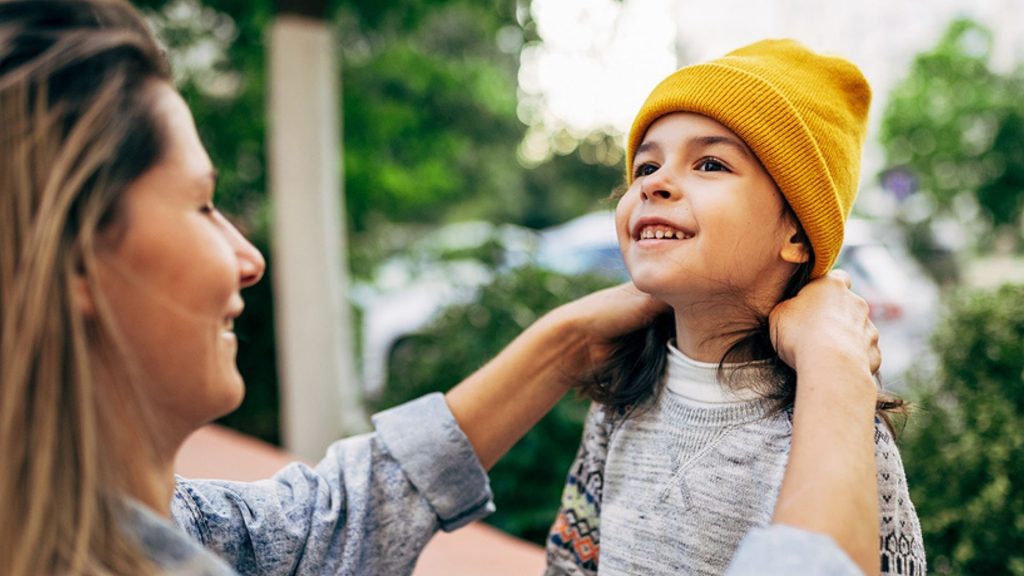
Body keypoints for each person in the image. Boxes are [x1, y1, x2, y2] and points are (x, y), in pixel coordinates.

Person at [0, 2, 885, 574]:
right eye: (201, 205)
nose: (248, 256)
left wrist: (559, 344)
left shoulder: (98, 530)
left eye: (712, 164)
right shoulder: (638, 411)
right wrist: (842, 376)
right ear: (71, 264)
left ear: (797, 231)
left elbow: (314, 530)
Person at [545, 39, 928, 576]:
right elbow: (571, 563)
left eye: (708, 163)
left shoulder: (835, 424)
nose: (655, 183)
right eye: (645, 166)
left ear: (796, 231)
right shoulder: (620, 399)